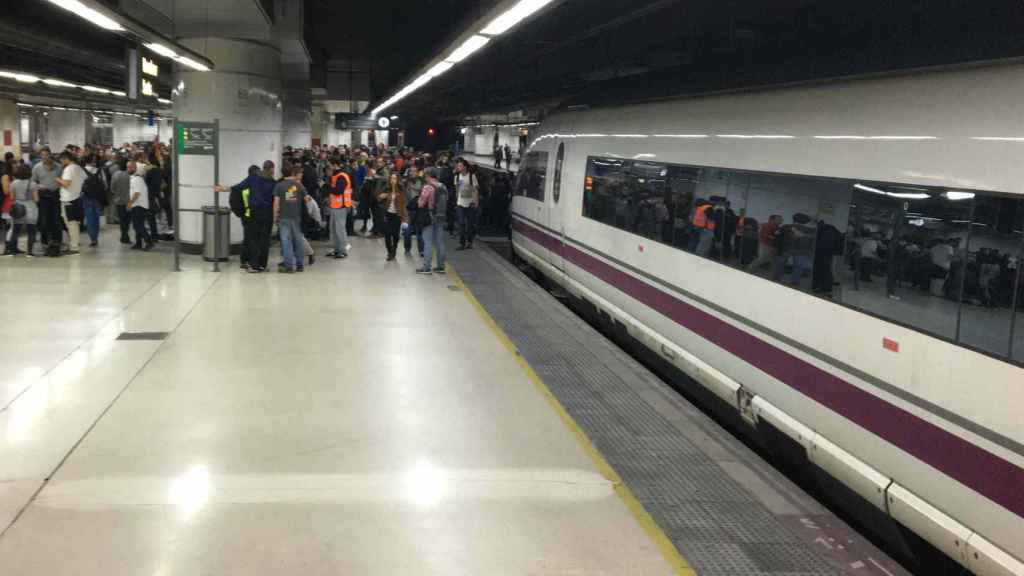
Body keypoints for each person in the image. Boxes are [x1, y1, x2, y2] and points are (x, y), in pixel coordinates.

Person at [274, 164, 307, 273]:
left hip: (284, 217)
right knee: (298, 240)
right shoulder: (298, 185)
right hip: (296, 216)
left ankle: (288, 265)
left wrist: (275, 217)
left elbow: (276, 204)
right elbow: (307, 199)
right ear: (292, 173)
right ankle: (300, 264)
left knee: (286, 241)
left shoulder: (279, 186)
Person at [32, 147, 63, 256]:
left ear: (50, 155)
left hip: (55, 195)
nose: (44, 157)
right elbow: (33, 182)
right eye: (42, 155)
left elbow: (63, 180)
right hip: (43, 196)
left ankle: (57, 241)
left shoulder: (58, 167)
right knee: (44, 220)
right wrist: (39, 186)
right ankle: (44, 241)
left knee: (56, 219)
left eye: (46, 155)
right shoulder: (37, 167)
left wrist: (59, 185)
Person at [417, 168, 448, 274]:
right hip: (441, 216)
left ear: (429, 176)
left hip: (429, 217)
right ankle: (440, 266)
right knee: (439, 241)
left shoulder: (428, 187)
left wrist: (419, 200)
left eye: (425, 175)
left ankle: (426, 267)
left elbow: (421, 203)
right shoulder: (443, 186)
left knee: (428, 242)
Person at [54, 151, 86, 255]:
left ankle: (74, 247)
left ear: (65, 159)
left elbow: (67, 184)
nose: (61, 162)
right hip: (77, 198)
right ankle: (74, 245)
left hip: (68, 199)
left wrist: (58, 179)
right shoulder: (79, 168)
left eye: (61, 160)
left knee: (71, 224)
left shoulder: (68, 169)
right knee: (74, 223)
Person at [4, 164, 39, 257]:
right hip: (31, 208)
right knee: (31, 231)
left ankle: (12, 252)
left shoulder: (14, 183)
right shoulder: (33, 184)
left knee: (15, 231)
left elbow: (12, 197)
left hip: (18, 208)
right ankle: (30, 252)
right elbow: (36, 199)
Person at [378, 173, 407, 261]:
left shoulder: (401, 190)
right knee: (387, 235)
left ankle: (394, 249)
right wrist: (382, 196)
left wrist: (404, 218)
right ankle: (390, 253)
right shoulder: (386, 188)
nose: (393, 180)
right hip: (387, 214)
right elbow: (378, 197)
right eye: (391, 178)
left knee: (395, 236)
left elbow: (404, 204)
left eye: (395, 178)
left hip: (397, 215)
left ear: (398, 180)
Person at [327, 161, 353, 259]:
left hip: (341, 206)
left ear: (335, 165)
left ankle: (342, 250)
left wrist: (327, 186)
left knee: (339, 229)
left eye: (330, 166)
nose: (329, 168)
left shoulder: (342, 176)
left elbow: (338, 191)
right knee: (333, 229)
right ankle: (336, 249)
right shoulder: (335, 176)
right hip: (334, 206)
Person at [127, 160, 153, 251]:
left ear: (134, 168)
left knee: (138, 225)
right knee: (138, 225)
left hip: (139, 206)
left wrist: (130, 203)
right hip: (137, 205)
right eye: (128, 167)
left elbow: (137, 193)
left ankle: (149, 241)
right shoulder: (134, 178)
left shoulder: (137, 179)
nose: (128, 169)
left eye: (129, 167)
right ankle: (138, 243)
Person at [81, 155, 106, 248]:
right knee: (97, 218)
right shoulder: (100, 171)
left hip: (86, 198)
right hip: (98, 198)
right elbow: (105, 185)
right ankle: (96, 237)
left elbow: (80, 185)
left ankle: (93, 239)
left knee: (89, 218)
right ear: (93, 161)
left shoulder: (82, 171)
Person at [454, 159, 479, 250]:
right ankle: (462, 243)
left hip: (470, 204)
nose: (458, 167)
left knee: (470, 224)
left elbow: (475, 190)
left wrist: (476, 202)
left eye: (460, 166)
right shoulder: (457, 177)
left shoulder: (472, 176)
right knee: (461, 223)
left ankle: (469, 241)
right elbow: (457, 189)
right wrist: (457, 201)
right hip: (460, 203)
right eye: (458, 166)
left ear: (465, 167)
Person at [403, 164, 425, 257]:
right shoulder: (405, 182)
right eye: (411, 171)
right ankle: (407, 249)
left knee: (419, 232)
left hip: (419, 209)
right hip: (408, 209)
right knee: (407, 232)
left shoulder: (422, 182)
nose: (412, 173)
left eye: (414, 171)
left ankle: (421, 250)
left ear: (418, 172)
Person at [110, 156, 132, 244]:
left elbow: (112, 188)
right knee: (128, 219)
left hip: (119, 200)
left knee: (122, 219)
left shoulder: (115, 174)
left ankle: (124, 235)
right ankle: (125, 235)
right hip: (129, 200)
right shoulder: (130, 175)